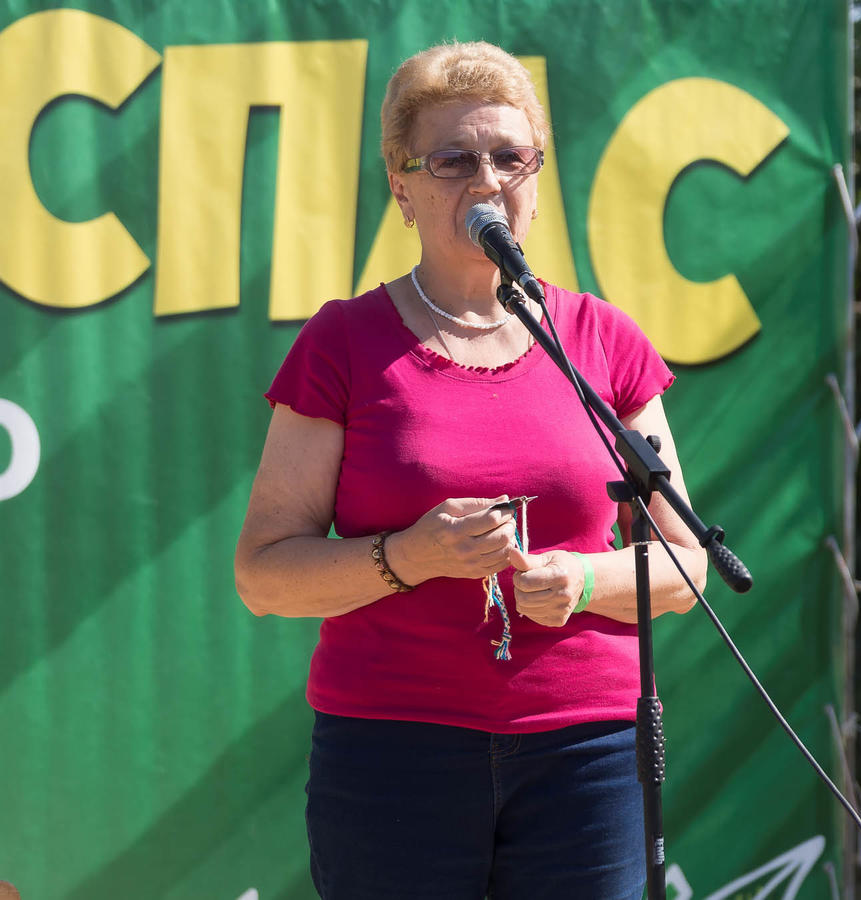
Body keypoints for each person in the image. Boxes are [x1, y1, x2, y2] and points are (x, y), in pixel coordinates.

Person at [234, 39, 706, 900]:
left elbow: (688, 566)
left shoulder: (604, 340)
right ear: (402, 186)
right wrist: (409, 556)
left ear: (537, 178)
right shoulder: (343, 344)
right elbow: (263, 576)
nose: (487, 181)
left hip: (586, 752)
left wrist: (583, 578)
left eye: (510, 158)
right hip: (394, 751)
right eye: (453, 160)